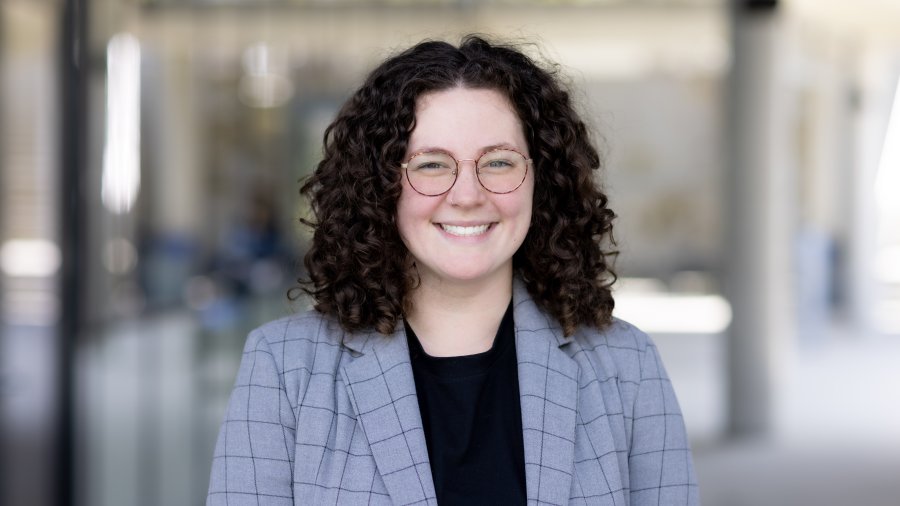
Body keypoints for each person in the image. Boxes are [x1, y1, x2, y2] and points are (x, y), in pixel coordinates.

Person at [207, 35, 699, 505]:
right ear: (382, 187)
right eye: (431, 165)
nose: (467, 195)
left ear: (541, 182)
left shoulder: (626, 366)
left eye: (500, 163)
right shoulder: (285, 369)